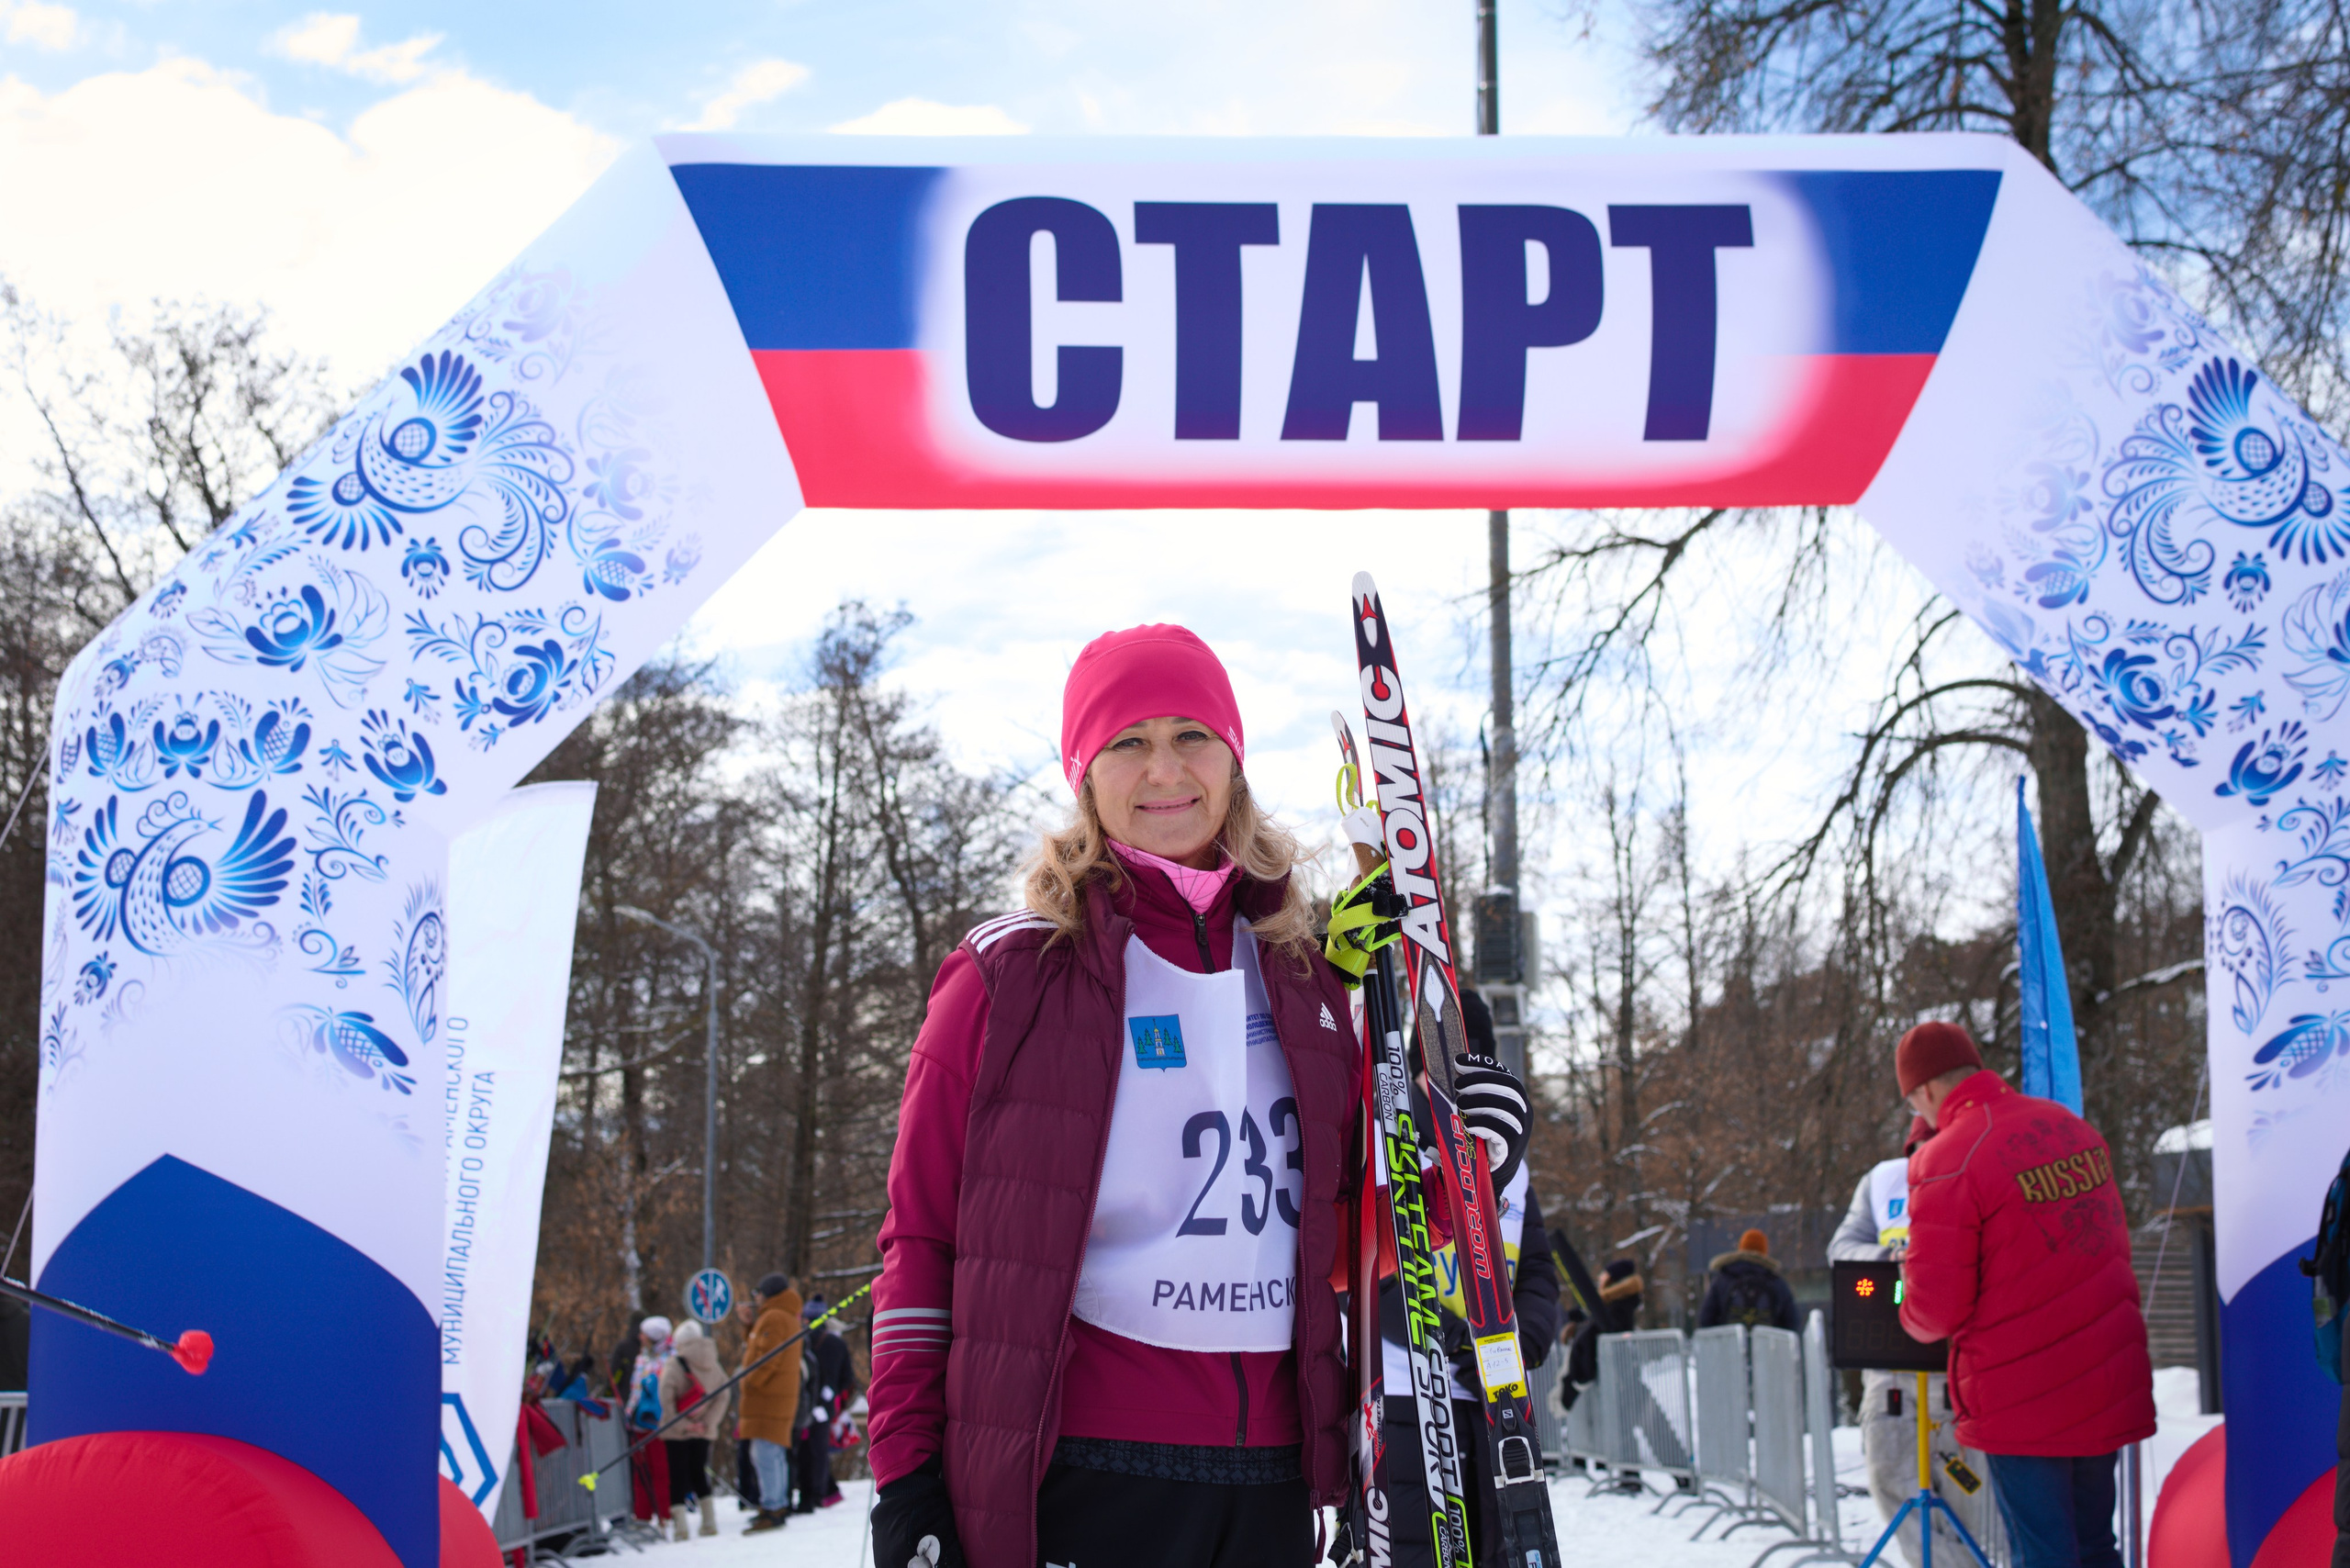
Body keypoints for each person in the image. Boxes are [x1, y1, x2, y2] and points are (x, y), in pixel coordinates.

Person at [864, 624, 1530, 1568]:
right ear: (1084, 775)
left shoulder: (1301, 981)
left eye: (1192, 736)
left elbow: (1333, 1246)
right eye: (1128, 741)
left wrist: (1459, 1175)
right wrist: (906, 1480)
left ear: (1234, 761)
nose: (1164, 769)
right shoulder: (1005, 978)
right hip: (1084, 1472)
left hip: (1271, 1484)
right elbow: (919, 1244)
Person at [1897, 1022, 2154, 1568]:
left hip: (2023, 1396)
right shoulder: (2071, 1127)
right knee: (2095, 1545)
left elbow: (1935, 1312)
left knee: (2043, 1554)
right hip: (2104, 1376)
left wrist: (1904, 1289)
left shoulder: (1948, 1158)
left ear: (1923, 1092)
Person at [1373, 986, 1559, 1568]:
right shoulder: (1390, 1143)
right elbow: (1372, 1270)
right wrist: (1452, 1336)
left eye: (1475, 1061)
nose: (1459, 1082)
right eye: (1448, 1063)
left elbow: (1536, 1270)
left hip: (1494, 1396)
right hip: (1412, 1393)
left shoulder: (1509, 1162)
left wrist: (1515, 1342)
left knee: (1498, 1548)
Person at [1830, 1121, 1998, 1568]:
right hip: (1892, 1367)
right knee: (1892, 1486)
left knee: (1965, 1502)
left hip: (1960, 1371)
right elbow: (1842, 1248)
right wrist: (1888, 1259)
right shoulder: (1883, 1183)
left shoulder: (1983, 1176)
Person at [738, 1273, 806, 1534]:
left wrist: (748, 1383)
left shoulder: (775, 1316)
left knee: (765, 1453)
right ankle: (775, 1505)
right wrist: (749, 1326)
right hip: (777, 1398)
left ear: (768, 1294)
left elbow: (767, 1358)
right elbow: (760, 1347)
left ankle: (773, 1507)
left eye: (758, 1292)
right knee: (773, 1452)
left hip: (768, 1398)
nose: (755, 1297)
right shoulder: (782, 1315)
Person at [660, 1318, 732, 1540]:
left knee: (677, 1475)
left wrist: (684, 1424)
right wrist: (707, 1423)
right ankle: (709, 1522)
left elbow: (666, 1399)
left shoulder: (675, 1364)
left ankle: (681, 1528)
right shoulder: (714, 1364)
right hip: (703, 1432)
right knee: (699, 1473)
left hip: (676, 1432)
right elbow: (724, 1395)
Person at [794, 1295, 856, 1512]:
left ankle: (809, 1494)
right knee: (818, 1451)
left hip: (802, 1404)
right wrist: (835, 1395)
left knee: (804, 1451)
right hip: (825, 1405)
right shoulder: (836, 1343)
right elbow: (848, 1377)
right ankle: (818, 1493)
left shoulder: (801, 1340)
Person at [625, 1316, 676, 1535]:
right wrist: (629, 1413)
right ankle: (642, 1515)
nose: (640, 1337)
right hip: (639, 1423)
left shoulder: (670, 1358)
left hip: (660, 1423)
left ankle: (664, 1514)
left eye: (644, 1334)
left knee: (660, 1470)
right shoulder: (642, 1358)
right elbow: (636, 1390)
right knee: (640, 1470)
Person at [1695, 1228, 1800, 1332]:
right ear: (1764, 1251)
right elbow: (1791, 1323)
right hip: (1767, 1346)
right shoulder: (1776, 1281)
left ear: (1741, 1248)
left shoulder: (1723, 1278)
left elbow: (1706, 1319)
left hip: (1730, 1346)